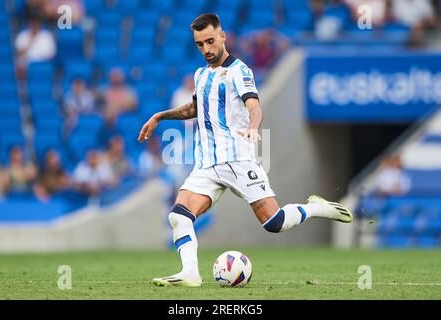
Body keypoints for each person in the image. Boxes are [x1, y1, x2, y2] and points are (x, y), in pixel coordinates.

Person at [138, 14, 353, 287]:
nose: (206, 49)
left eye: (210, 41)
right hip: (206, 165)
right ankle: (190, 273)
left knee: (274, 223)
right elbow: (195, 109)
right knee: (179, 216)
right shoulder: (201, 74)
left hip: (238, 159)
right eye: (200, 44)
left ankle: (314, 208)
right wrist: (160, 116)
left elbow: (255, 106)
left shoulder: (240, 71)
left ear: (223, 36)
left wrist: (254, 127)